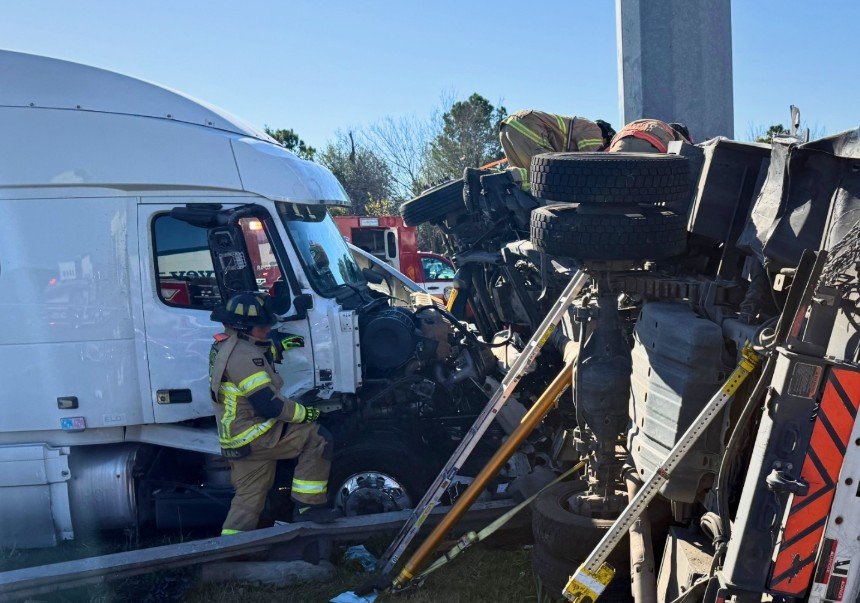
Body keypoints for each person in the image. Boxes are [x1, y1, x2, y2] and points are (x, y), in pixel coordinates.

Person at [208, 291, 340, 534]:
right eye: (263, 325)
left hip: (235, 437)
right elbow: (269, 405)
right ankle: (307, 507)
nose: (268, 329)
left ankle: (229, 554)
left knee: (247, 501)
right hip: (256, 433)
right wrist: (306, 414)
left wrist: (272, 347)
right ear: (244, 327)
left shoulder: (226, 346)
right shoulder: (244, 356)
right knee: (318, 437)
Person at [498, 110, 615, 186]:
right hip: (528, 126)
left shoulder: (582, 127)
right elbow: (592, 165)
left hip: (507, 126)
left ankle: (490, 179)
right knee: (547, 178)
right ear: (606, 139)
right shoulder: (595, 131)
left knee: (524, 179)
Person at [607, 118, 692, 153]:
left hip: (619, 140)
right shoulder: (676, 133)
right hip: (650, 145)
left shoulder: (660, 125)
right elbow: (692, 153)